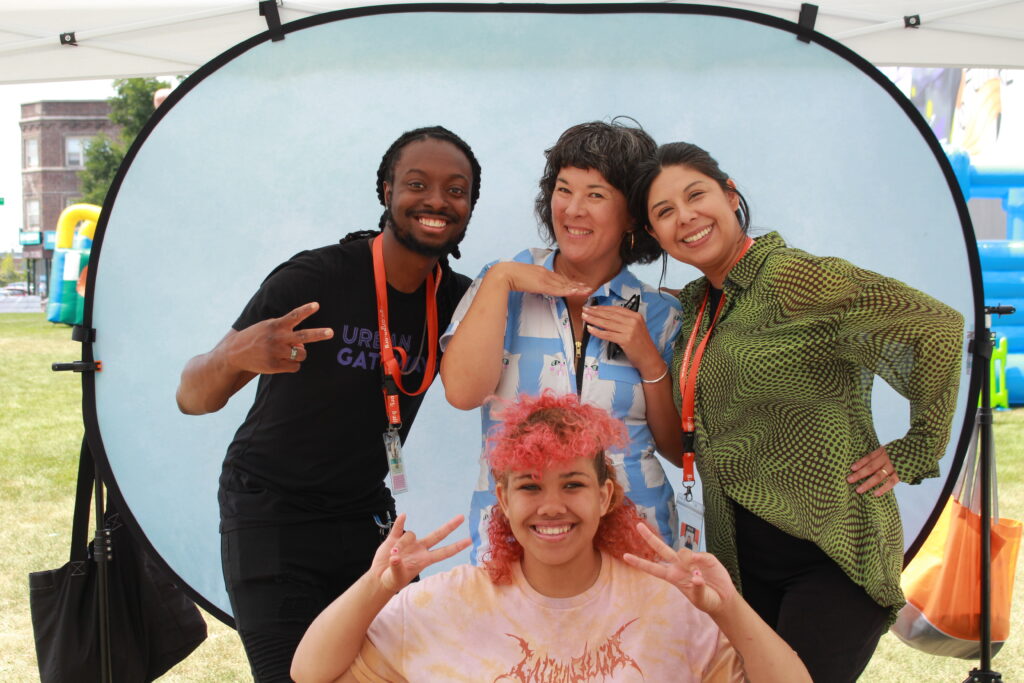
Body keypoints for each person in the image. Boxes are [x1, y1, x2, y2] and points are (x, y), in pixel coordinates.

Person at [630, 141, 965, 682]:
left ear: (730, 194)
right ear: (654, 234)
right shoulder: (698, 305)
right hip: (741, 558)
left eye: (696, 195)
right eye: (664, 212)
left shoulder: (795, 280)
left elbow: (935, 327)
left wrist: (919, 446)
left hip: (828, 550)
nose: (685, 217)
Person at [175, 126, 480, 682]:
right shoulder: (316, 278)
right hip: (270, 514)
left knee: (406, 672)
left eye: (456, 190)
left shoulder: (456, 300)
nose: (436, 200)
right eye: (417, 183)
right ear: (386, 189)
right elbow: (192, 397)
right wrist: (236, 355)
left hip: (364, 513)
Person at [290, 392, 812, 683]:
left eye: (573, 484)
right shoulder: (446, 601)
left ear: (606, 496)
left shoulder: (669, 606)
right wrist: (377, 587)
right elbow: (309, 673)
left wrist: (728, 610)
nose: (552, 506)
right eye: (530, 486)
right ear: (502, 498)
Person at [440, 120, 683, 562]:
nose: (573, 209)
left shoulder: (661, 313)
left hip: (637, 547)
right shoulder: (501, 286)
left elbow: (675, 447)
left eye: (596, 195)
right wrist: (500, 280)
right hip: (517, 543)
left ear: (631, 213)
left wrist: (649, 360)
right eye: (564, 189)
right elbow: (462, 392)